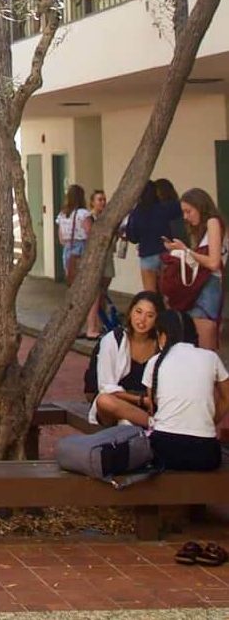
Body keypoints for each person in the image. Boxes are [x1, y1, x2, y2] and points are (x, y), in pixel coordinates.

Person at [143, 309, 229, 471]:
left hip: (163, 450)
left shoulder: (155, 362)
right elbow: (227, 396)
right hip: (205, 454)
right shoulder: (211, 357)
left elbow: (152, 406)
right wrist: (210, 421)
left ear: (162, 335)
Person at [162, 187, 227, 352]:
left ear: (200, 206)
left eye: (188, 211)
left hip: (209, 286)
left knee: (205, 343)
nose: (186, 216)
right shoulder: (205, 227)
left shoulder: (213, 221)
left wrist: (186, 251)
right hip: (205, 286)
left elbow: (213, 262)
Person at [90, 291, 161, 427]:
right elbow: (106, 387)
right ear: (130, 312)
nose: (142, 320)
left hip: (152, 405)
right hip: (120, 403)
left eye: (150, 315)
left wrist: (151, 401)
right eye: (138, 312)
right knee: (104, 401)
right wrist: (140, 400)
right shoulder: (113, 339)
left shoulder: (160, 343)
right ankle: (154, 426)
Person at [126, 179, 182, 293]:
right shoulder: (165, 208)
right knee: (168, 293)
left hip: (147, 255)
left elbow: (132, 237)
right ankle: (169, 310)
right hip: (165, 252)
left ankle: (153, 310)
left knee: (150, 293)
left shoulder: (136, 213)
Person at [83, 189, 117, 340]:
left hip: (108, 259)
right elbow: (93, 239)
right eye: (99, 200)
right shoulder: (89, 218)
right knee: (94, 295)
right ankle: (91, 328)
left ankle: (99, 324)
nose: (102, 202)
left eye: (104, 199)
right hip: (96, 261)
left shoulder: (108, 218)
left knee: (102, 294)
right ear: (92, 202)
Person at [55, 184, 91, 285]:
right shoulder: (83, 213)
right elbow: (89, 232)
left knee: (71, 275)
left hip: (67, 247)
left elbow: (61, 237)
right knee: (83, 278)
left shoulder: (62, 215)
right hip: (81, 245)